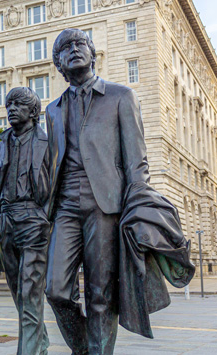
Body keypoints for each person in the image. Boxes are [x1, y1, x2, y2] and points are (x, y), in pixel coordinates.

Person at [44, 28, 150, 354]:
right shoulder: (53, 109)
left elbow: (136, 162)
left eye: (80, 44)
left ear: (92, 53)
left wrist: (138, 208)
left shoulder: (120, 97)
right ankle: (87, 349)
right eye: (65, 48)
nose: (74, 50)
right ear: (59, 63)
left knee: (100, 292)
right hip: (65, 206)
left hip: (106, 204)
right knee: (56, 290)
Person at [0, 87, 50, 355]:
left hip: (34, 221)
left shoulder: (49, 144)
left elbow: (58, 187)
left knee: (29, 292)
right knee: (19, 294)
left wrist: (44, 218)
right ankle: (40, 343)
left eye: (19, 104)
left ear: (34, 112)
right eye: (9, 104)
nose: (11, 109)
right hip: (6, 223)